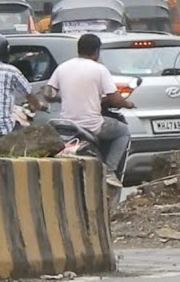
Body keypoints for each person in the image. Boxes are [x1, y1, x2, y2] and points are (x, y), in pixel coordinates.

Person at [43, 35, 135, 188]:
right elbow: (115, 100)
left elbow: (48, 93)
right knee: (123, 131)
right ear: (96, 51)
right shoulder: (99, 69)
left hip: (66, 126)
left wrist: (62, 97)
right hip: (92, 126)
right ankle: (109, 171)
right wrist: (128, 104)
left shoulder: (63, 67)